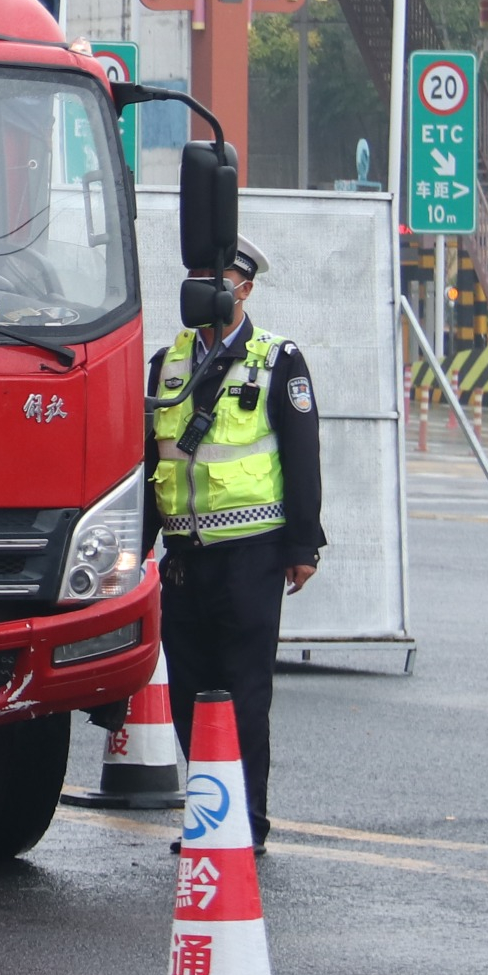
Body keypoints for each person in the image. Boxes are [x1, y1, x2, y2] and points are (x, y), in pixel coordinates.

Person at [146, 235, 324, 852]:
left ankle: (245, 822)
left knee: (244, 691)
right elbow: (151, 460)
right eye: (197, 276)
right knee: (188, 690)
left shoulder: (278, 360)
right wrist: (133, 549)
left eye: (217, 278)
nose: (204, 288)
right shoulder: (167, 363)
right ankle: (209, 815)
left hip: (252, 555)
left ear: (243, 288)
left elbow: (302, 455)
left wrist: (302, 546)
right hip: (183, 558)